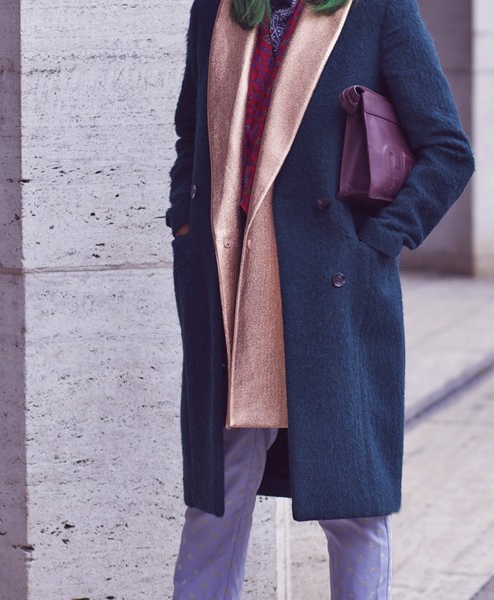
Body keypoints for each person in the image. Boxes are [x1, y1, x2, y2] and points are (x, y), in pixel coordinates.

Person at [166, 0, 474, 597]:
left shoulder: (376, 11)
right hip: (230, 284)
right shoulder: (218, 9)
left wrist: (378, 240)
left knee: (352, 501)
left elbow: (448, 150)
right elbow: (191, 131)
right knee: (218, 491)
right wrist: (185, 221)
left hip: (332, 289)